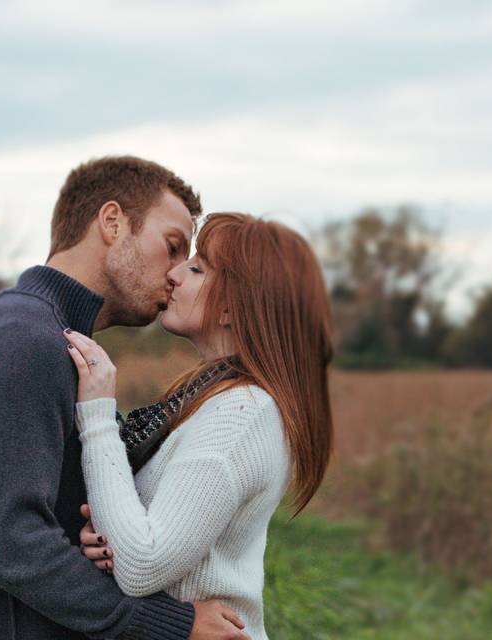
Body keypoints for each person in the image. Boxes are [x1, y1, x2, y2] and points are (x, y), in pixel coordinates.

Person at [0, 156, 250, 640]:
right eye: (171, 247)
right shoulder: (22, 339)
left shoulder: (47, 335)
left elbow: (44, 518)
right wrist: (173, 625)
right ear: (112, 222)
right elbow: (11, 545)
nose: (175, 274)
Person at [65, 212, 335, 640]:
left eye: (196, 268)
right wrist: (111, 531)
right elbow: (153, 543)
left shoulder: (241, 414)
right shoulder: (213, 397)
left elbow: (143, 565)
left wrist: (97, 412)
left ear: (231, 307)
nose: (173, 274)